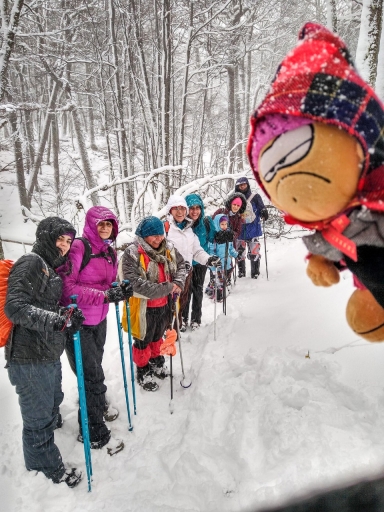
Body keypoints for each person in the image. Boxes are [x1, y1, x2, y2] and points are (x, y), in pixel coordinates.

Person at [4, 217, 84, 488]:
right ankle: (46, 471)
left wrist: (64, 314)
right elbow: (15, 307)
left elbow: (43, 306)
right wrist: (56, 320)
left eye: (68, 241)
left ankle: (46, 450)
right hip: (28, 358)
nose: (64, 245)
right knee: (37, 419)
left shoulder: (50, 267)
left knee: (52, 403)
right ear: (46, 237)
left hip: (47, 353)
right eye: (59, 239)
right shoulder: (32, 262)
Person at [59, 206, 132, 455]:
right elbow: (67, 288)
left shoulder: (110, 252)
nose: (104, 228)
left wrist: (118, 288)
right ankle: (93, 433)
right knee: (90, 376)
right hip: (78, 324)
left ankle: (96, 406)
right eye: (100, 224)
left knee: (95, 369)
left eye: (108, 224)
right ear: (91, 224)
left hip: (98, 321)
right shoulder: (80, 247)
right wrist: (104, 295)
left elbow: (107, 282)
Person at [119, 216, 186, 391]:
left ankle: (157, 361)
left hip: (165, 305)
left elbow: (182, 265)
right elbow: (134, 283)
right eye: (153, 235)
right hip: (142, 308)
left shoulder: (169, 248)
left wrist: (178, 283)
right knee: (143, 340)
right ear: (143, 236)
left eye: (160, 234)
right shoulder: (132, 253)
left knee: (157, 337)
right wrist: (168, 287)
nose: (158, 239)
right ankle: (142, 369)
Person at [165, 195, 221, 330]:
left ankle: (177, 329)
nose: (180, 212)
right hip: (170, 276)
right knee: (169, 305)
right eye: (176, 209)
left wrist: (208, 259)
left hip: (187, 273)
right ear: (170, 211)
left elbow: (196, 251)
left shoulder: (189, 230)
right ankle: (168, 331)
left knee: (183, 300)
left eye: (182, 209)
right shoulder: (165, 229)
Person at [181, 193, 215, 331]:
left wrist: (224, 235)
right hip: (186, 263)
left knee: (198, 290)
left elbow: (214, 237)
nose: (195, 211)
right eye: (191, 208)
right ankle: (182, 319)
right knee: (185, 292)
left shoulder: (206, 222)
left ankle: (196, 319)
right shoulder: (182, 224)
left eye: (197, 208)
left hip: (201, 262)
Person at [234, 176, 269, 279]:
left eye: (244, 184)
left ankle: (255, 272)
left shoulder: (255, 197)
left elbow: (262, 208)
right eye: (240, 185)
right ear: (237, 186)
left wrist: (264, 212)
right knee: (239, 252)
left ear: (247, 185)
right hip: (239, 230)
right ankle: (241, 272)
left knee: (254, 252)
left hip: (253, 228)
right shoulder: (234, 198)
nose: (242, 186)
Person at [206, 215, 239, 301]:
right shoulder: (214, 237)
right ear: (217, 224)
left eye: (226, 224)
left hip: (226, 261)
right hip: (217, 263)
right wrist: (214, 258)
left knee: (223, 279)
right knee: (219, 280)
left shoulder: (228, 235)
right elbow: (211, 251)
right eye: (222, 224)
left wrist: (236, 255)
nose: (224, 226)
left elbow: (231, 248)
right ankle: (218, 295)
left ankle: (213, 289)